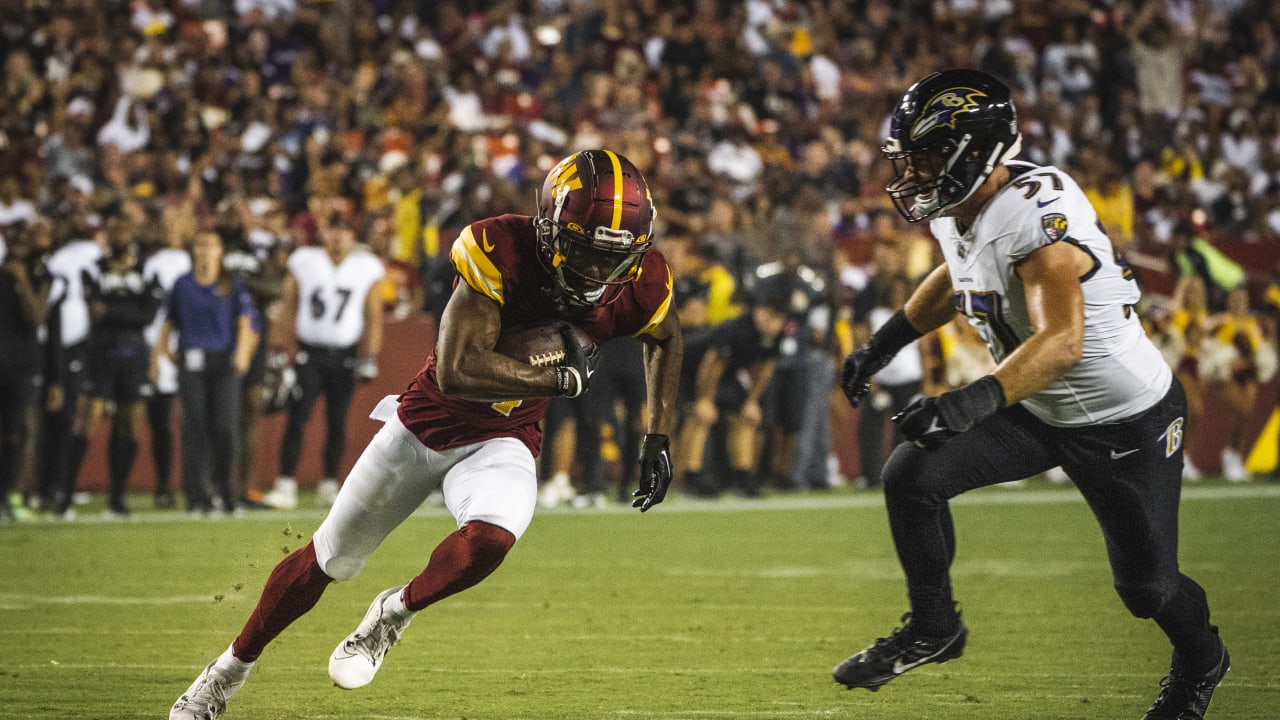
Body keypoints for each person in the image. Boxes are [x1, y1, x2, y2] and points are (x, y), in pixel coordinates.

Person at [169, 149, 682, 720]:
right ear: (551, 230)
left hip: (504, 438)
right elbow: (458, 370)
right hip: (424, 427)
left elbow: (665, 337)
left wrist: (657, 437)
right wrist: (556, 378)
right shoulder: (502, 250)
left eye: (614, 258)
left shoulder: (642, 280)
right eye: (586, 252)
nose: (597, 274)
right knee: (330, 559)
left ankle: (392, 615)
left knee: (493, 538)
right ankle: (226, 673)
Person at [833, 70, 1228, 720]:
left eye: (928, 158)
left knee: (1147, 590)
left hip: (1122, 417)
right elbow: (957, 272)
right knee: (912, 474)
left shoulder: (1036, 217)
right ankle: (936, 629)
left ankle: (1201, 660)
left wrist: (968, 401)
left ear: (975, 155)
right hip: (1042, 407)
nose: (915, 174)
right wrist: (886, 341)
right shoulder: (964, 205)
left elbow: (1064, 341)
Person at [263, 212, 385, 509]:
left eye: (344, 232)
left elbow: (374, 314)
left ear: (352, 238)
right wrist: (278, 349)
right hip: (309, 353)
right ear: (324, 233)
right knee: (297, 417)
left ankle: (330, 484)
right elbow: (288, 305)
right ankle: (286, 483)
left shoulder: (365, 267)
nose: (338, 237)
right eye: (333, 230)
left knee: (338, 421)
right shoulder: (305, 261)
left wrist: (370, 355)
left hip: (344, 354)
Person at [58, 211, 164, 518]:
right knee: (86, 421)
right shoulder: (93, 269)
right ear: (106, 234)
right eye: (113, 230)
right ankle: (64, 497)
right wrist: (128, 310)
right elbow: (95, 312)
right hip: (100, 354)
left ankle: (117, 499)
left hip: (133, 356)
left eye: (124, 230)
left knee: (130, 425)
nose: (119, 235)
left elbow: (147, 316)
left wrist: (112, 311)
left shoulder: (148, 270)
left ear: (132, 234)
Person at [151, 230, 258, 515]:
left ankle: (224, 491)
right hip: (192, 360)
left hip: (225, 361)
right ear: (192, 251)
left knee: (225, 428)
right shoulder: (182, 284)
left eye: (210, 245)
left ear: (220, 250)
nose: (204, 251)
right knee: (194, 428)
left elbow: (245, 320)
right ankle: (197, 496)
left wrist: (243, 354)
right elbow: (169, 322)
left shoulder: (232, 282)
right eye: (199, 245)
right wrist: (164, 352)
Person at [0, 221, 51, 522]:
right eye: (14, 238)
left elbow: (36, 319)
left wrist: (21, 281)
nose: (19, 245)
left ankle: (12, 495)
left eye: (25, 239)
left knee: (21, 432)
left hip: (23, 364)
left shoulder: (39, 276)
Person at [141, 224, 192, 509]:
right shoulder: (151, 265)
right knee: (160, 423)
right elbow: (151, 315)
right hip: (159, 351)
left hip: (189, 350)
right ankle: (163, 485)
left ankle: (198, 486)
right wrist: (155, 353)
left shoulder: (192, 261)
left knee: (196, 423)